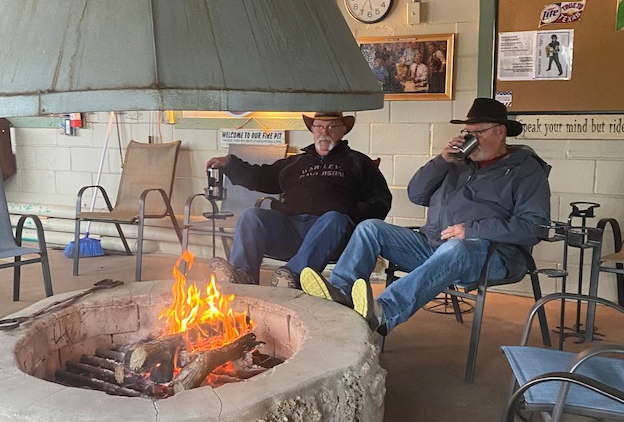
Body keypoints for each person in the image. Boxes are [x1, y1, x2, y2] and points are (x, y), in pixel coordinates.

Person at [300, 98, 550, 335]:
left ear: (500, 131)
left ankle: (384, 311)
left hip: (489, 255)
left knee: (457, 248)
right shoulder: (458, 163)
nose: (470, 139)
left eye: (478, 133)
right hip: (431, 244)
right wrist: (442, 161)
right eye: (467, 133)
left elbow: (534, 227)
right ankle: (340, 295)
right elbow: (416, 194)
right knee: (370, 228)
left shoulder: (524, 169)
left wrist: (471, 230)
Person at [206, 112, 392, 289]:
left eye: (332, 127)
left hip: (331, 234)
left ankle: (293, 276)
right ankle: (243, 275)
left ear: (343, 130)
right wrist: (230, 164)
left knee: (334, 218)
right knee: (251, 215)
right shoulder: (295, 162)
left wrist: (350, 215)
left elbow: (381, 199)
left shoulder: (359, 162)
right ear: (312, 130)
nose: (324, 132)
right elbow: (260, 176)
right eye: (319, 126)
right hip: (289, 228)